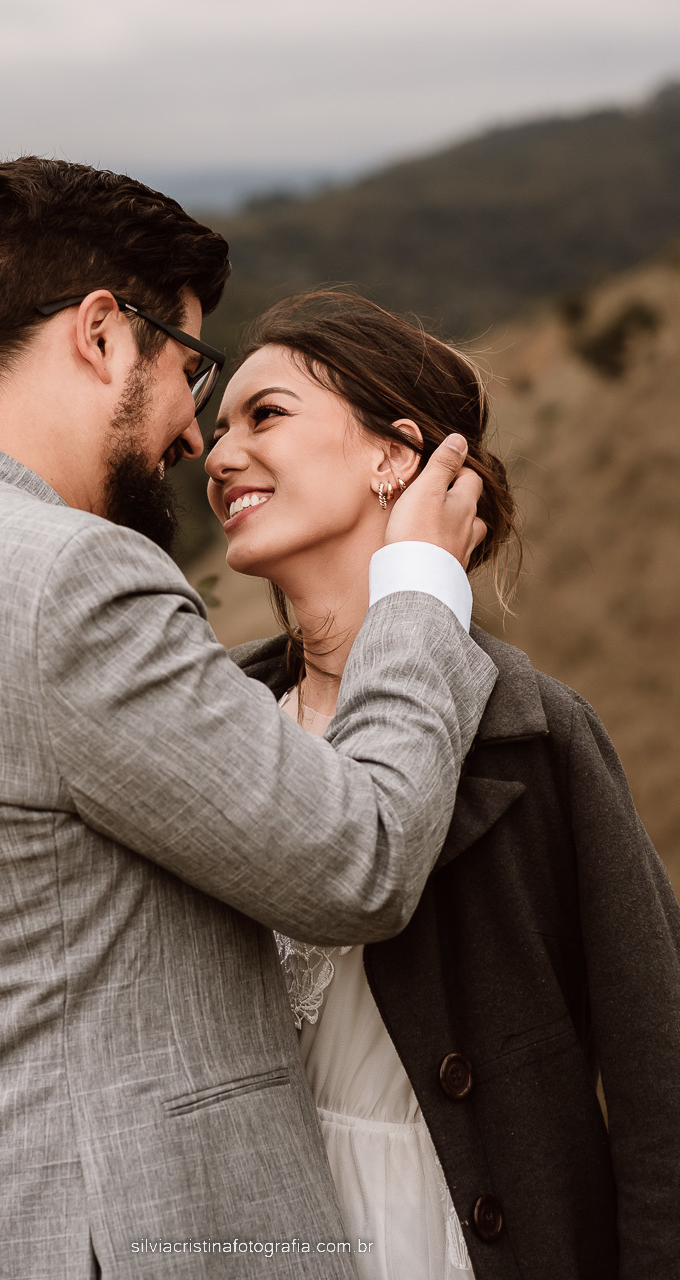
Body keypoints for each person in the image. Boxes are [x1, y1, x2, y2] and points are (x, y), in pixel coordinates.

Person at [0, 160, 497, 1279]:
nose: (193, 436)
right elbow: (357, 857)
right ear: (100, 333)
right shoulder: (68, 578)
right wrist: (419, 588)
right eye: (190, 368)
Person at [207, 288, 680, 1280]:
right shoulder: (210, 716)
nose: (218, 457)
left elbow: (656, 1075)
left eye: (265, 415)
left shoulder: (530, 732)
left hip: (462, 1236)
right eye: (215, 429)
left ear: (393, 455)